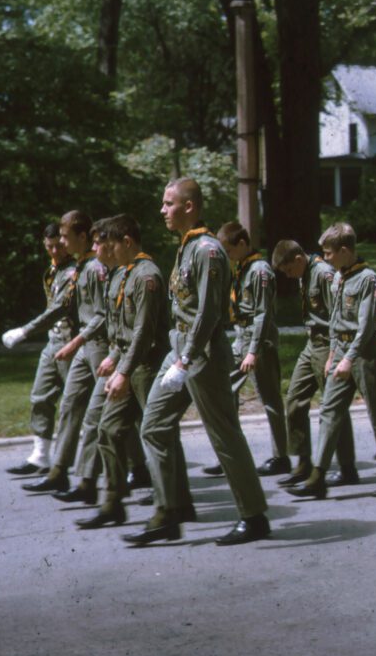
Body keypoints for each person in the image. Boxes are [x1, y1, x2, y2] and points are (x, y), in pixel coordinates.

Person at [126, 177, 270, 546]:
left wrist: (186, 359)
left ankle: (253, 516)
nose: (162, 210)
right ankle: (169, 510)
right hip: (181, 349)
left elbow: (208, 312)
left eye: (168, 203)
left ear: (188, 207)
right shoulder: (187, 247)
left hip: (201, 354)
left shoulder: (207, 250)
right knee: (154, 424)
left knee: (223, 433)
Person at [287, 223, 376, 499]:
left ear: (345, 251)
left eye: (329, 253)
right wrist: (334, 355)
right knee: (329, 410)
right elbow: (334, 319)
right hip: (342, 350)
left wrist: (349, 358)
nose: (326, 258)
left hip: (365, 354)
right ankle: (318, 475)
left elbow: (366, 326)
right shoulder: (339, 278)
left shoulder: (368, 279)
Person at [78, 215, 171, 529]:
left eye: (107, 243)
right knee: (108, 429)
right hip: (129, 364)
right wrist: (115, 358)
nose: (102, 250)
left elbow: (144, 332)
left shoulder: (147, 276)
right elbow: (122, 329)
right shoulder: (122, 275)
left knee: (157, 436)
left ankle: (170, 510)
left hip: (147, 366)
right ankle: (112, 503)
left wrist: (123, 370)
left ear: (126, 242)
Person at [21, 211, 110, 494]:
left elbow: (103, 314)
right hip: (84, 346)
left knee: (109, 414)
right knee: (71, 407)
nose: (60, 242)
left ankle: (136, 469)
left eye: (64, 237)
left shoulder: (94, 269)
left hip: (97, 346)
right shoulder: (81, 267)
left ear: (82, 237)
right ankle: (59, 472)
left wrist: (74, 342)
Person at [201, 222, 291, 477]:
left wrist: (253, 351)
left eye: (229, 251)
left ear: (242, 244)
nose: (227, 257)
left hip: (258, 342)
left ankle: (281, 456)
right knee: (225, 394)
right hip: (240, 339)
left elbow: (263, 315)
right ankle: (230, 453)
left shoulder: (260, 271)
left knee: (270, 398)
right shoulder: (242, 268)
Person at [271, 239, 357, 488]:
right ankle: (303, 461)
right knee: (294, 399)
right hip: (312, 344)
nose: (288, 276)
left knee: (333, 405)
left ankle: (347, 466)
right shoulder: (304, 274)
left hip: (327, 344)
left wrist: (333, 355)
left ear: (298, 259)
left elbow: (337, 317)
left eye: (288, 270)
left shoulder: (323, 274)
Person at [2, 223, 77, 476]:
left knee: (80, 405)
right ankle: (40, 456)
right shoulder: (52, 271)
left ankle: (132, 463)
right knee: (41, 397)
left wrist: (24, 331)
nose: (55, 251)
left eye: (59, 245)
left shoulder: (73, 271)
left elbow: (57, 309)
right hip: (53, 341)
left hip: (72, 343)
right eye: (49, 247)